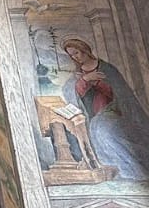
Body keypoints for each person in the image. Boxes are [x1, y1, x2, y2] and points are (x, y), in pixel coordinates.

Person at [63, 39, 149, 181]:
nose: (75, 57)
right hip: (93, 115)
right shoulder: (78, 74)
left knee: (104, 129)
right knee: (96, 126)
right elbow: (70, 92)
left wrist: (98, 84)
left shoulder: (107, 69)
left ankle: (130, 169)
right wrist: (84, 80)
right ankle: (117, 168)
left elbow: (121, 93)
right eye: (71, 55)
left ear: (84, 49)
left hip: (115, 112)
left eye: (76, 52)